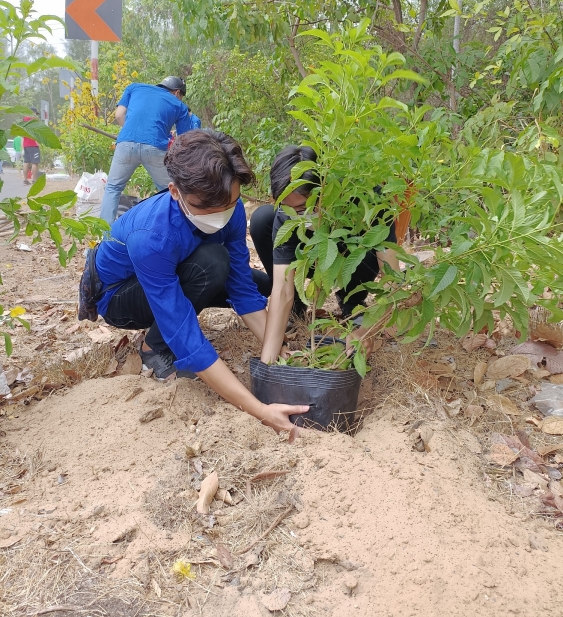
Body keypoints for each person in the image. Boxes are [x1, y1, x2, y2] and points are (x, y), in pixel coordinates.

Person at [80, 130, 308, 435]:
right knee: (213, 263)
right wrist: (261, 410)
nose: (221, 215)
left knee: (259, 283)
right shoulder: (151, 237)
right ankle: (152, 347)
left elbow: (241, 287)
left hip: (178, 266)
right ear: (175, 192)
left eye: (229, 204)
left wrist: (273, 348)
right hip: (120, 294)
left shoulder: (230, 204)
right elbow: (184, 332)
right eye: (207, 207)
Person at [250, 145, 402, 364]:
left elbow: (392, 282)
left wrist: (367, 331)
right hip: (312, 258)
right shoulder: (288, 215)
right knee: (263, 218)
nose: (296, 216)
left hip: (353, 260)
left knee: (365, 251)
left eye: (303, 208)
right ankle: (296, 312)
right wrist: (269, 359)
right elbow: (282, 290)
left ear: (324, 189)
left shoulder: (368, 199)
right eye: (288, 208)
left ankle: (352, 301)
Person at [99, 76, 201, 225]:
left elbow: (119, 115)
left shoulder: (134, 87)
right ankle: (178, 228)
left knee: (113, 188)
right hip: (155, 147)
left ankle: (103, 236)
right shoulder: (179, 105)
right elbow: (183, 140)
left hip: (126, 143)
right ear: (178, 92)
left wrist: (133, 133)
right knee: (171, 191)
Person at [22, 109, 41, 185]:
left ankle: (25, 180)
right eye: (36, 113)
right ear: (33, 112)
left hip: (26, 144)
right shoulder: (33, 120)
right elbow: (36, 131)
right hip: (33, 144)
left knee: (26, 162)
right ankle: (34, 180)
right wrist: (37, 141)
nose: (36, 115)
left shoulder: (23, 120)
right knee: (35, 162)